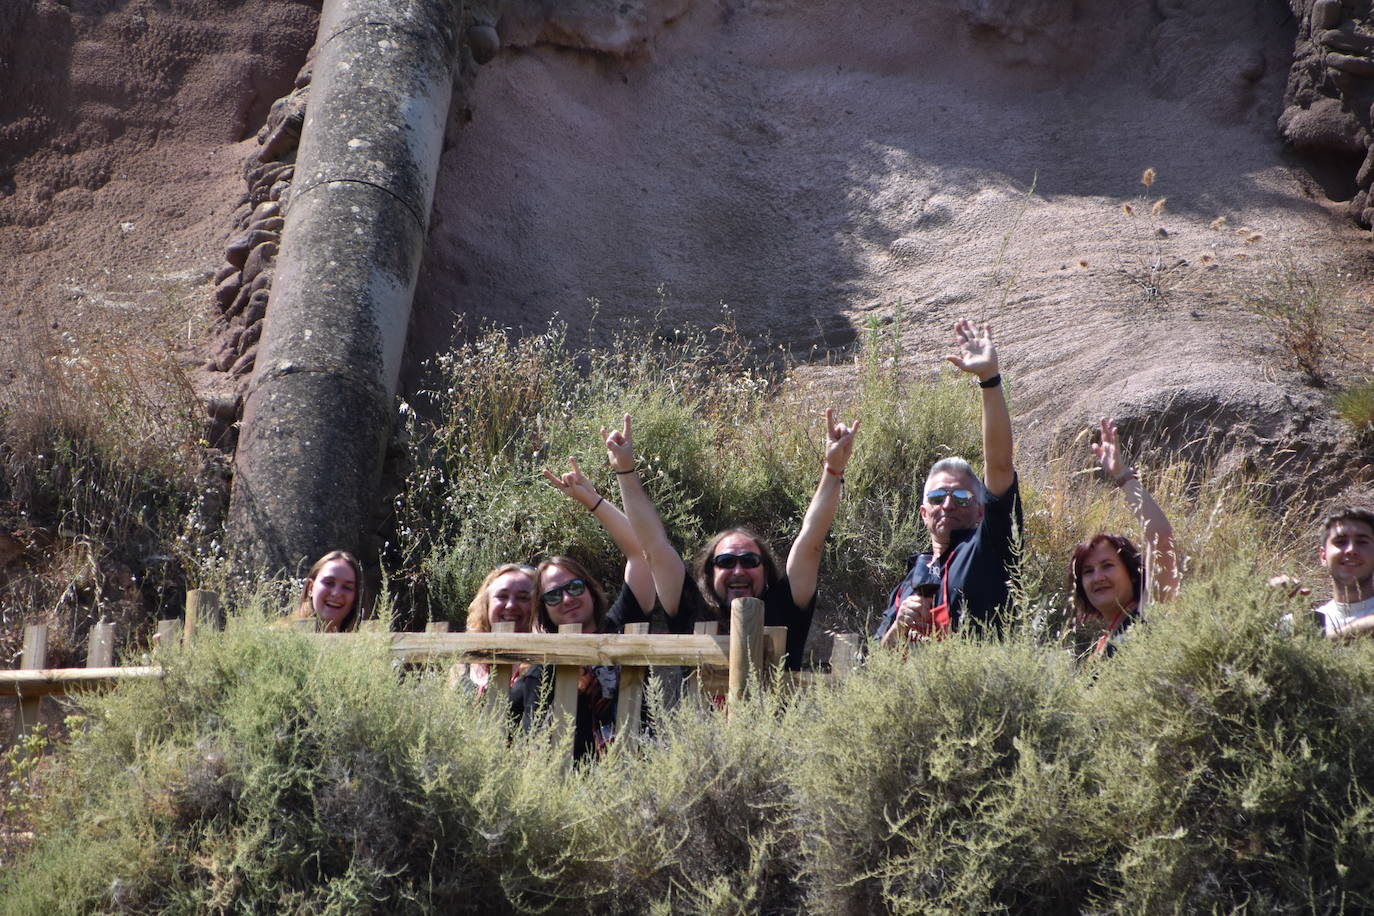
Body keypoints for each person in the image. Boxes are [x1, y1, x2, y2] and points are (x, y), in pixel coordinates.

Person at [605, 407, 859, 670]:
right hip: (699, 714)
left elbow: (810, 543)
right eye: (725, 561)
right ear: (710, 571)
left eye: (749, 561)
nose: (738, 570)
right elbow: (653, 549)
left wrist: (833, 470)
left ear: (765, 568)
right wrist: (625, 472)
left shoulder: (785, 607)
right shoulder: (690, 606)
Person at [876, 319, 1020, 645]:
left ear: (981, 511)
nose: (949, 503)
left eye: (963, 497)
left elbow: (999, 465)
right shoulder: (909, 581)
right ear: (923, 513)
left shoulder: (988, 548)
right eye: (938, 496)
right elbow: (873, 667)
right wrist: (898, 628)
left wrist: (989, 380)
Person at [1068, 418, 1180, 656]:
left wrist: (1124, 476)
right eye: (1087, 571)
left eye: (1107, 565)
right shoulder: (1106, 640)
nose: (1097, 577)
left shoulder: (1148, 615)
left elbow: (1160, 537)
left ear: (1131, 572)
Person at [1274, 508, 1374, 640]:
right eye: (1340, 542)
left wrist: (1324, 641)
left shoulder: (1309, 633)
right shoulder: (1299, 623)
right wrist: (1264, 605)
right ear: (1323, 556)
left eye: (1362, 542)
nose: (1351, 550)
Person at [462, 563, 536, 693]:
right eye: (502, 596)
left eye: (523, 598)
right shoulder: (463, 660)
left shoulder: (544, 668)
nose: (511, 605)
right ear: (486, 604)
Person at [290, 550, 363, 632]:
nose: (336, 593)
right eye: (329, 583)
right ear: (310, 588)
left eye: (347, 587)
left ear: (355, 598)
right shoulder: (280, 636)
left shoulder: (368, 642)